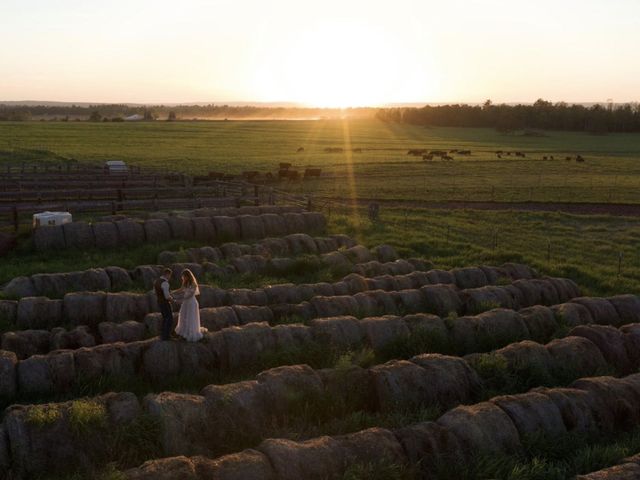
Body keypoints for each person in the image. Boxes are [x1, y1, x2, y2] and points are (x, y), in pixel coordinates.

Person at [173, 269, 205, 342]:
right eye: (183, 277)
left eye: (184, 276)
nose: (183, 278)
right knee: (183, 316)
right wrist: (172, 292)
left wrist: (182, 298)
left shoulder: (194, 284)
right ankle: (184, 332)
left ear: (188, 276)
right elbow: (181, 289)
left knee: (190, 317)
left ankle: (190, 333)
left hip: (191, 303)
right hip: (186, 302)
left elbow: (191, 295)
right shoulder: (185, 282)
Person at [154, 268, 174, 341]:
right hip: (165, 303)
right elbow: (167, 296)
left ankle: (163, 335)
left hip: (159, 302)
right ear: (167, 274)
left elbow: (156, 292)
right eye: (170, 275)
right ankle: (167, 336)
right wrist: (173, 300)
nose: (170, 277)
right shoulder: (165, 283)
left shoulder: (157, 281)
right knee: (169, 319)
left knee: (165, 318)